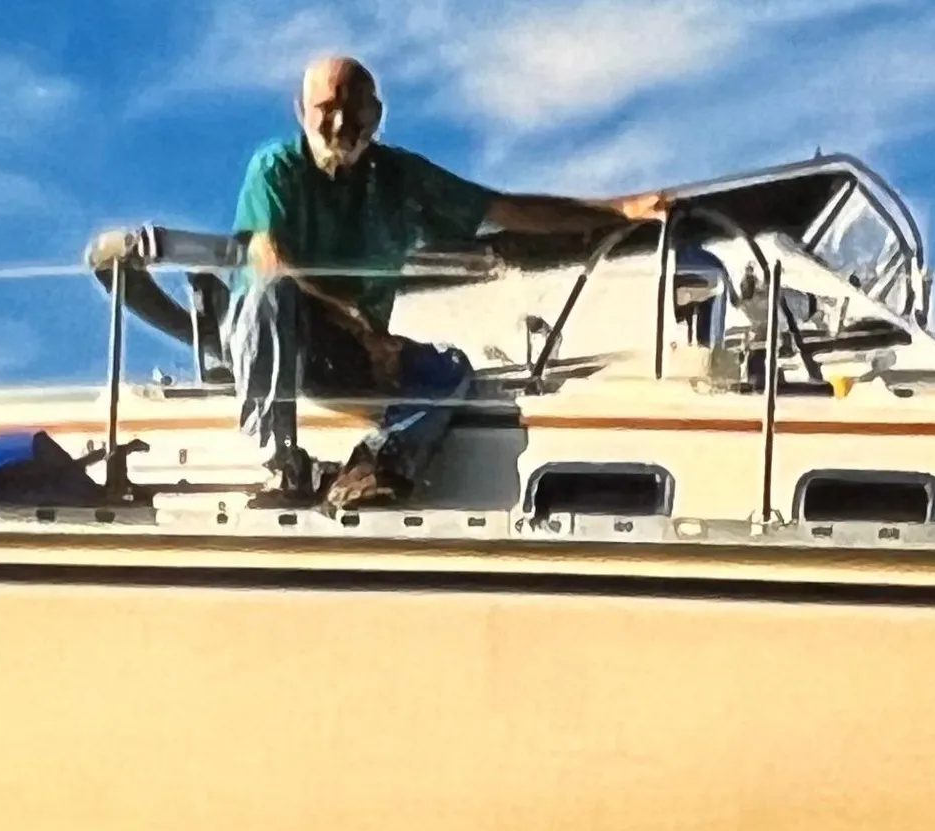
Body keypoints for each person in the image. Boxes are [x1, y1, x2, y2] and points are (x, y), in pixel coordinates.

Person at [232, 53, 664, 509]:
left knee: (448, 369)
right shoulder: (275, 166)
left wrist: (618, 212)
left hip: (355, 352)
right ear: (300, 110)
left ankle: (376, 467)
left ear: (376, 115)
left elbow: (505, 210)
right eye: (326, 109)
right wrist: (358, 325)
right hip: (283, 340)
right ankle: (279, 465)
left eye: (354, 109)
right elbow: (270, 261)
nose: (341, 124)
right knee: (272, 293)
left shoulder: (398, 175)